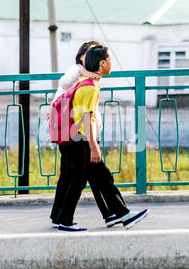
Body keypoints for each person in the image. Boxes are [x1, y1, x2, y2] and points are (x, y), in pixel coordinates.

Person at [54, 44, 149, 232]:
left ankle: (123, 215)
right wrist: (93, 146)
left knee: (101, 177)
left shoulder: (88, 83)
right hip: (81, 139)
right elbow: (86, 118)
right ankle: (65, 221)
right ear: (102, 62)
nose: (112, 63)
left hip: (78, 138)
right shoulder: (89, 87)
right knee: (79, 180)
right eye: (110, 60)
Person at [50, 41, 122, 229]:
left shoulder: (90, 80)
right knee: (76, 176)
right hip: (72, 131)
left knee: (87, 175)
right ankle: (63, 218)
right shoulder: (77, 72)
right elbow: (64, 83)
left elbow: (89, 109)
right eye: (90, 53)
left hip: (78, 130)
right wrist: (86, 73)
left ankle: (110, 213)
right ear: (82, 55)